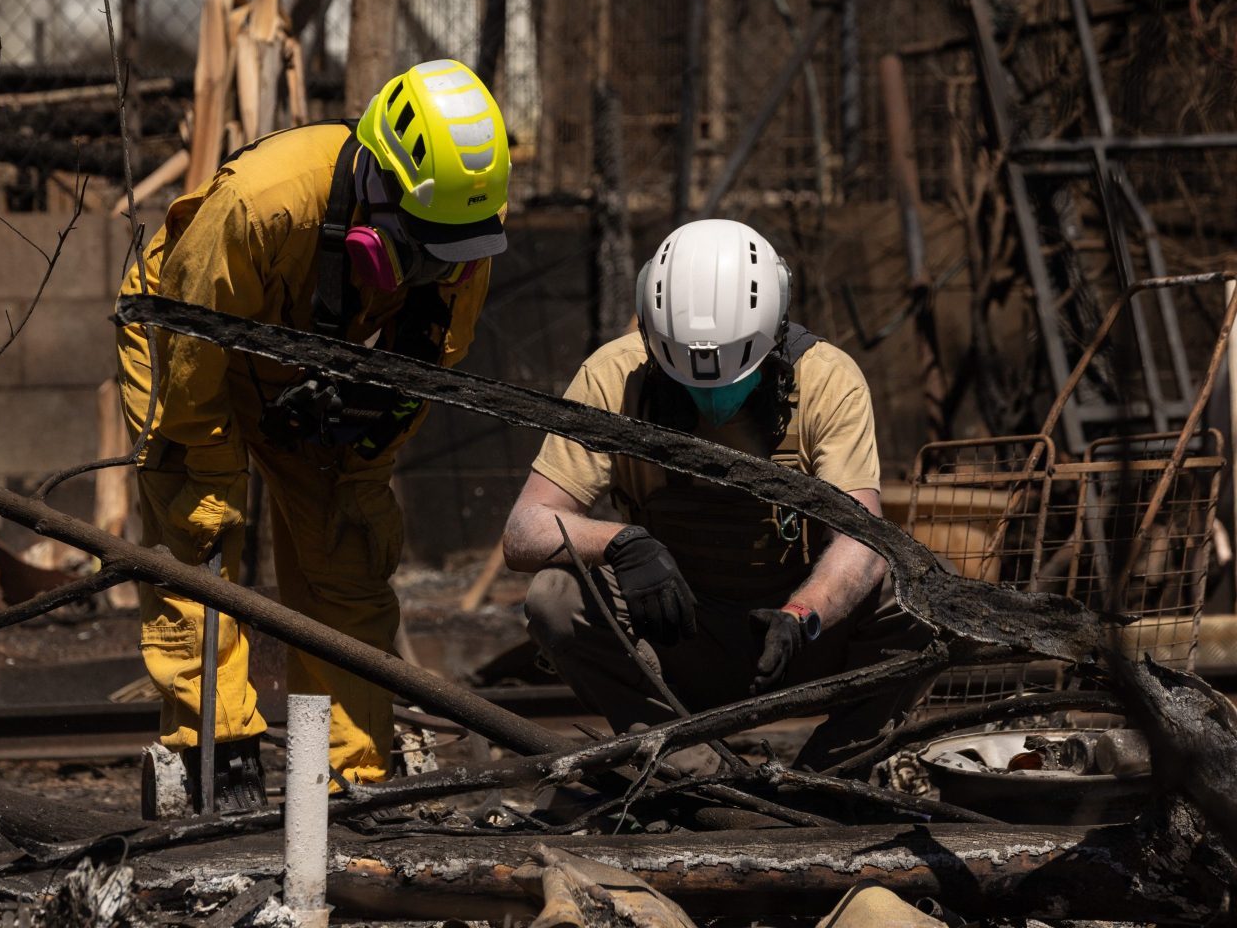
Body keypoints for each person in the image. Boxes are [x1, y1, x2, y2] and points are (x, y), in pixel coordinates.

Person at [116, 59, 510, 811]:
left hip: (310, 363)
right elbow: (193, 358)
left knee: (349, 542)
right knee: (198, 526)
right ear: (376, 184)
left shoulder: (461, 238)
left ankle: (350, 776)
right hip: (187, 333)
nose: (431, 271)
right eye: (419, 248)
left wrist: (362, 436)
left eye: (447, 254)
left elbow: (429, 366)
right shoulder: (260, 203)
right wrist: (204, 461)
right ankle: (215, 750)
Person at [502, 218, 929, 773]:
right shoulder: (613, 376)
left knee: (922, 601)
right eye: (691, 384)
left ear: (774, 335)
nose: (713, 403)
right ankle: (692, 771)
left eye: (734, 380)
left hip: (793, 637)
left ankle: (828, 779)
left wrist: (802, 615)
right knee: (555, 597)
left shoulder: (827, 379)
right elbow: (523, 530)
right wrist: (621, 542)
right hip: (680, 639)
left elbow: (862, 539)